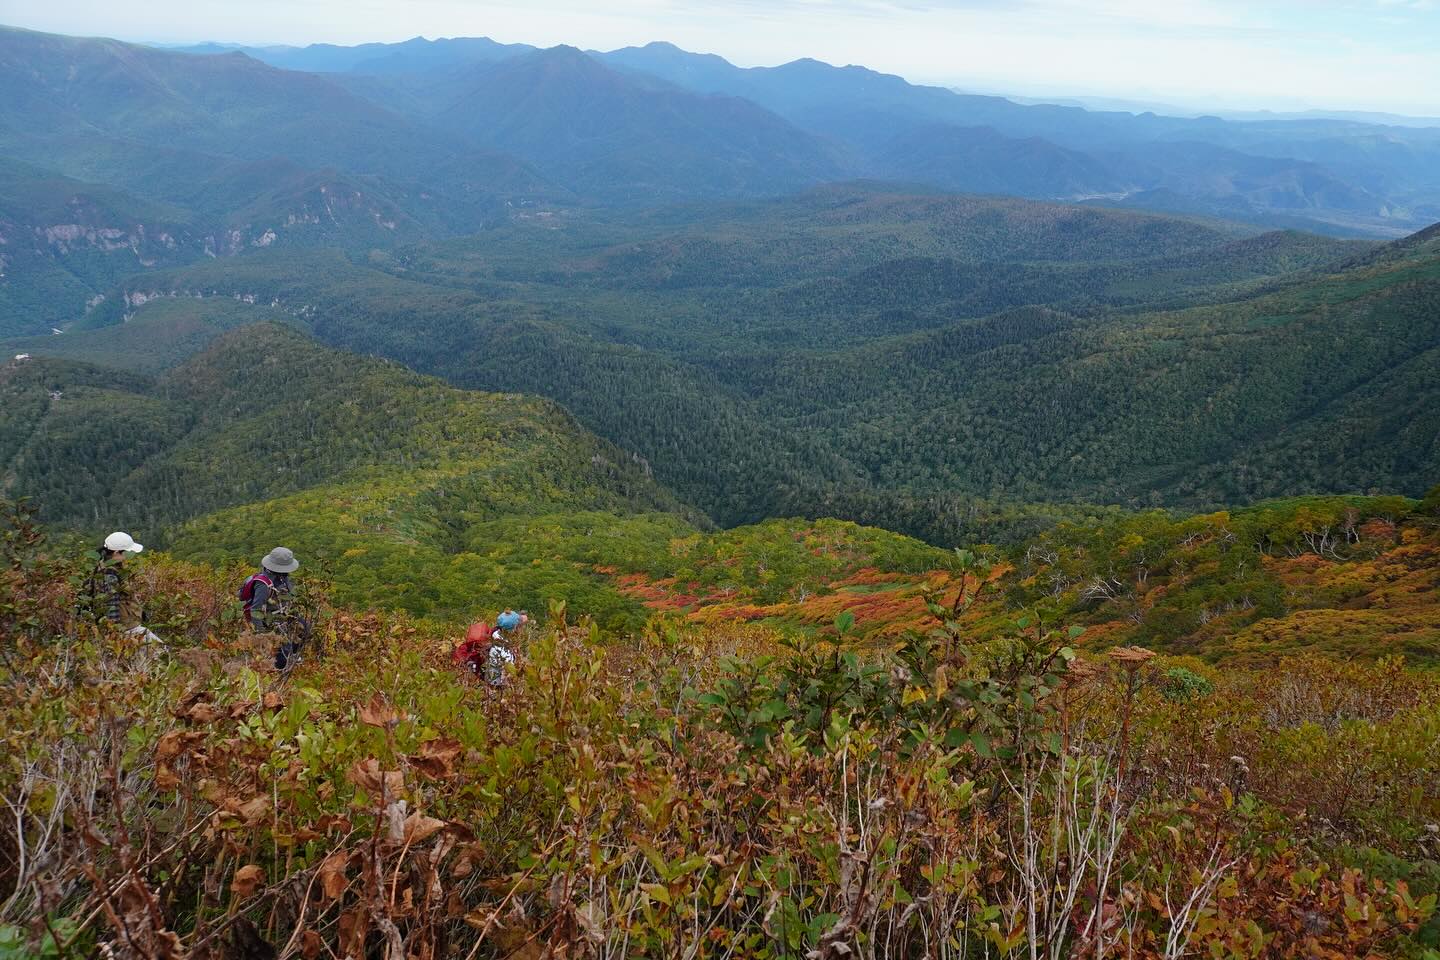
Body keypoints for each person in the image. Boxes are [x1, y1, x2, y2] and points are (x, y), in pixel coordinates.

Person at [81, 531, 161, 643]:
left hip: (127, 627)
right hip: (126, 630)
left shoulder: (105, 567)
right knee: (161, 655)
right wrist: (114, 635)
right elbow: (111, 606)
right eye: (127, 552)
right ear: (117, 552)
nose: (129, 555)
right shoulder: (109, 575)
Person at [239, 547, 309, 670]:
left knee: (304, 629)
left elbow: (289, 597)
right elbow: (255, 610)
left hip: (284, 616)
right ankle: (278, 669)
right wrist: (262, 635)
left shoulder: (282, 577)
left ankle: (291, 655)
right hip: (270, 621)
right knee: (281, 657)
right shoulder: (263, 584)